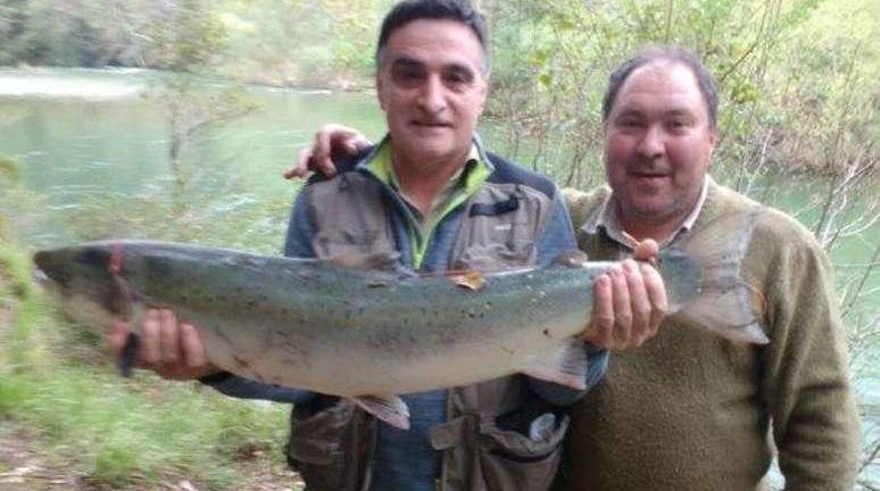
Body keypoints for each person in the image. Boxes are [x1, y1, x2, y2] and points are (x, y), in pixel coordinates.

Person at [109, 0, 667, 490]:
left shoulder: (536, 201)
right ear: (379, 86)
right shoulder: (324, 198)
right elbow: (300, 370)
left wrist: (597, 343)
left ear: (482, 92)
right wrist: (214, 365)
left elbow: (561, 390)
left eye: (455, 77)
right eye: (409, 75)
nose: (432, 98)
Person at [292, 46, 862, 489]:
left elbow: (821, 424)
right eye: (631, 123)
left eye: (678, 124)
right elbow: (453, 190)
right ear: (605, 133)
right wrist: (367, 159)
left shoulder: (780, 248)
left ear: (711, 138)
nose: (651, 146)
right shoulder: (553, 220)